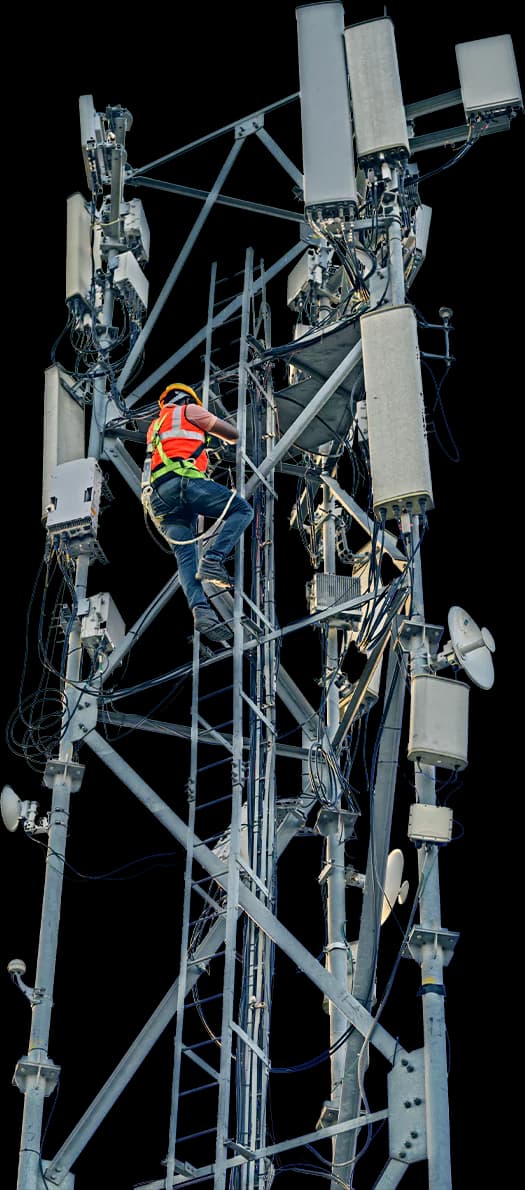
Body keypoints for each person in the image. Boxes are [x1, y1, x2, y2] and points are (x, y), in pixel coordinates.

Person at [142, 382, 254, 642]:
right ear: (185, 399)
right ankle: (214, 560)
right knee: (241, 510)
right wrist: (211, 432)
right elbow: (233, 434)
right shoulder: (189, 410)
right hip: (184, 482)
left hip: (157, 500)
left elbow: (172, 448)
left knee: (186, 558)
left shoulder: (155, 426)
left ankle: (201, 611)